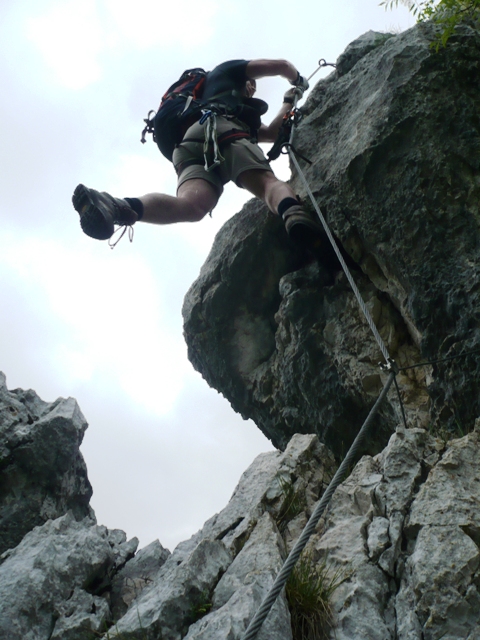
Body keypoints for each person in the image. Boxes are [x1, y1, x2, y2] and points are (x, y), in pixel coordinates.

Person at [72, 59, 324, 247]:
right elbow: (280, 65)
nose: (252, 91)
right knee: (267, 183)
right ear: (244, 81)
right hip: (221, 129)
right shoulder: (226, 73)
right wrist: (297, 79)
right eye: (251, 86)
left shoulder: (227, 104)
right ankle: (293, 213)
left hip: (188, 145)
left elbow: (269, 133)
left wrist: (289, 101)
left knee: (191, 206)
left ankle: (117, 207)